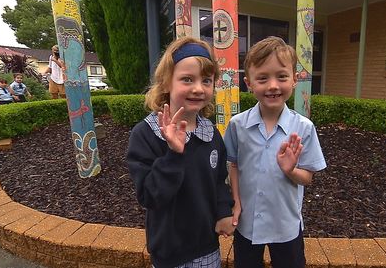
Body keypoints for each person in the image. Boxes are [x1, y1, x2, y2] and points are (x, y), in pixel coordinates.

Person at [126, 36, 235, 268]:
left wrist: (224, 211)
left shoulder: (211, 134)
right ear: (166, 83)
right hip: (168, 251)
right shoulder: (145, 134)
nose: (198, 88)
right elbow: (149, 196)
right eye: (187, 79)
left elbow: (218, 182)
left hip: (206, 246)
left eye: (206, 80)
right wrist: (174, 156)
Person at [223, 36, 327, 268]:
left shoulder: (303, 128)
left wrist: (290, 170)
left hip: (285, 224)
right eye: (262, 78)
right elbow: (234, 165)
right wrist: (236, 202)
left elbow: (307, 178)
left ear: (294, 81)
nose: (272, 86)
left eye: (281, 76)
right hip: (247, 222)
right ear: (248, 83)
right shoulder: (238, 125)